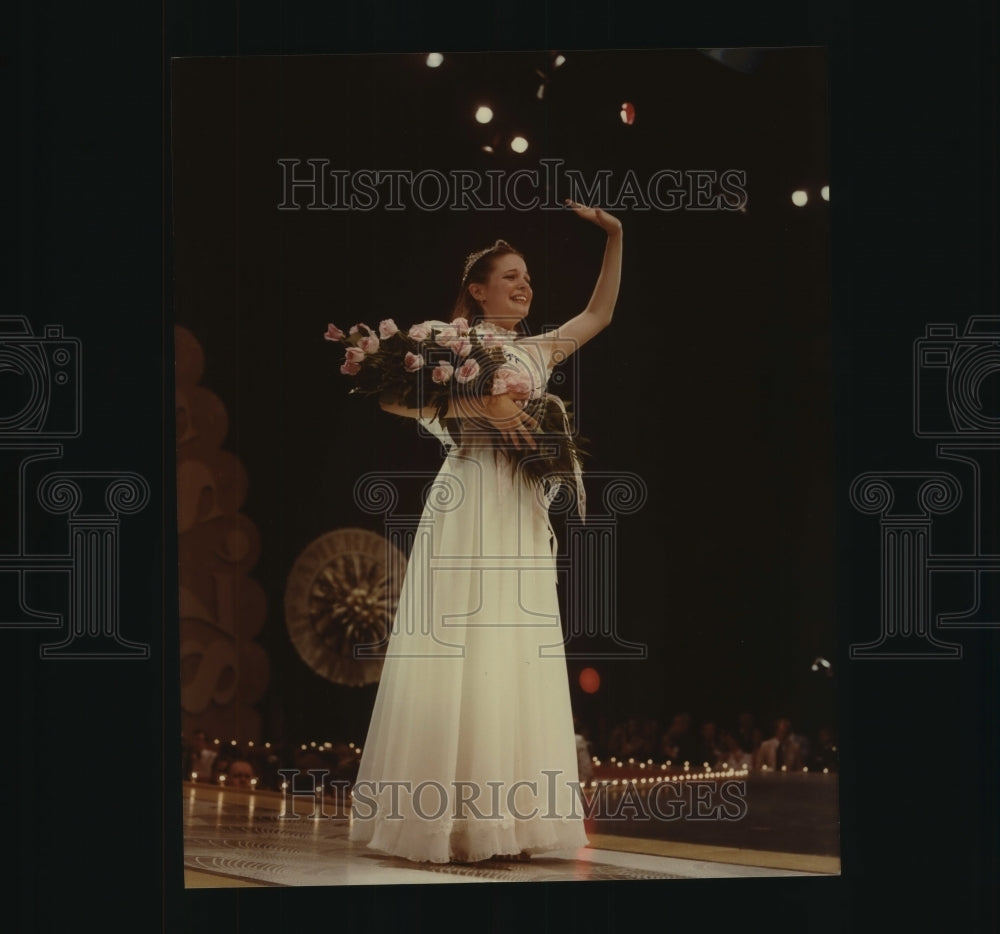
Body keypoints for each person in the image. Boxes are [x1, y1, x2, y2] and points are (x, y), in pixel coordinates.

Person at [349, 200, 623, 864]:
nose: (523, 286)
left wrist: (616, 236)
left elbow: (599, 315)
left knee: (511, 649)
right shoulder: (445, 339)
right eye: (510, 277)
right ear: (477, 288)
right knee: (458, 646)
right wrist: (472, 401)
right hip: (469, 494)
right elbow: (385, 392)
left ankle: (510, 820)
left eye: (527, 277)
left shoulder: (535, 350)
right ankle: (441, 821)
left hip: (518, 509)